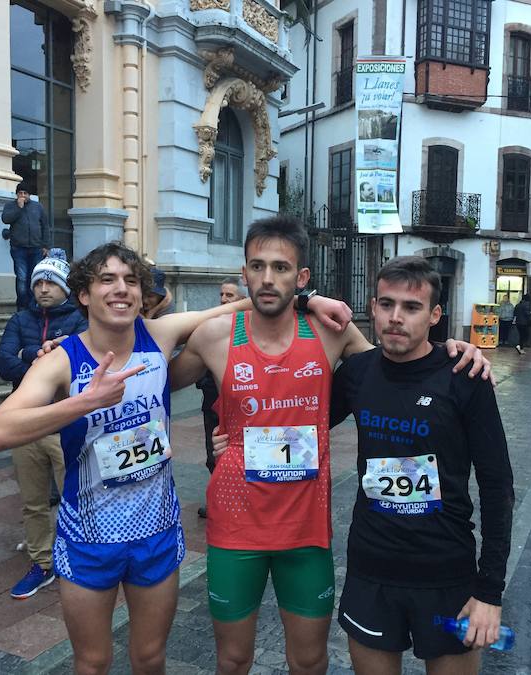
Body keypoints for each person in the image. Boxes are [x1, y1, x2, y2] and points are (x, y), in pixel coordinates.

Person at [0, 241, 352, 675]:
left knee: (150, 657)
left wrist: (311, 298)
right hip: (88, 538)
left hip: (156, 533)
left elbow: (249, 304)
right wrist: (83, 402)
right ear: (83, 294)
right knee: (93, 662)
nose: (121, 290)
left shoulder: (159, 334)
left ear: (142, 294)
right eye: (107, 280)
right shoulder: (63, 360)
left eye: (131, 281)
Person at [168, 216, 490, 675]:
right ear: (243, 273)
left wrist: (455, 349)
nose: (266, 278)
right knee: (233, 659)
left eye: (280, 268)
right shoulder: (215, 337)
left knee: (310, 661)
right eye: (256, 266)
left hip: (305, 530)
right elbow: (152, 375)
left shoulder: (330, 332)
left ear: (301, 277)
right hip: (236, 525)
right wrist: (82, 346)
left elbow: (400, 363)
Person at [328, 256, 513, 675]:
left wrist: (490, 592)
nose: (396, 318)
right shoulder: (357, 373)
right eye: (387, 304)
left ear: (434, 316)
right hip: (371, 571)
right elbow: (303, 422)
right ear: (372, 308)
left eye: (411, 308)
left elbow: (497, 487)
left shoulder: (465, 377)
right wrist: (229, 435)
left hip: (446, 575)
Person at [0, 249, 87, 599]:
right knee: (32, 501)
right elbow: (4, 362)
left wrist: (28, 356)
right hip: (26, 425)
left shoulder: (81, 320)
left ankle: (76, 556)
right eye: (39, 282)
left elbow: (77, 367)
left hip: (66, 425)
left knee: (74, 496)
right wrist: (41, 356)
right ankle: (42, 562)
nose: (44, 288)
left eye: (51, 282)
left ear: (66, 287)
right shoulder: (20, 320)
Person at [195, 276, 246, 518]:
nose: (224, 300)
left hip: (240, 408)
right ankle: (217, 499)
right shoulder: (211, 326)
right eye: (222, 295)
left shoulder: (246, 329)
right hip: (212, 403)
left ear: (243, 301)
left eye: (230, 296)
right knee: (212, 453)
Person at [1, 182, 50, 310]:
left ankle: (33, 306)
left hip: (36, 248)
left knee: (34, 278)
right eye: (20, 193)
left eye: (25, 193)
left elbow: (45, 226)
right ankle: (22, 307)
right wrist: (19, 208)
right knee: (22, 278)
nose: (22, 195)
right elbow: (6, 219)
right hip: (19, 248)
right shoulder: (11, 206)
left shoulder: (38, 207)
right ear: (16, 194)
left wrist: (46, 245)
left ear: (30, 195)